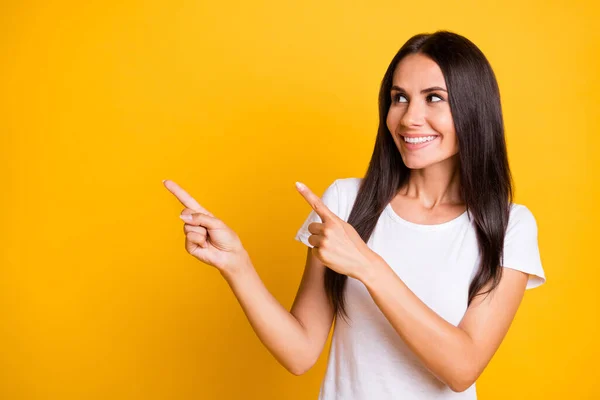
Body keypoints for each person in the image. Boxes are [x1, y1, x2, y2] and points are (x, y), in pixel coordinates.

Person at [163, 30, 546, 400]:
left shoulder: (509, 226)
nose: (410, 117)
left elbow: (462, 369)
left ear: (473, 108)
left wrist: (367, 266)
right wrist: (236, 264)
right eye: (399, 98)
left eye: (433, 98)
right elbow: (300, 352)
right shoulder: (347, 202)